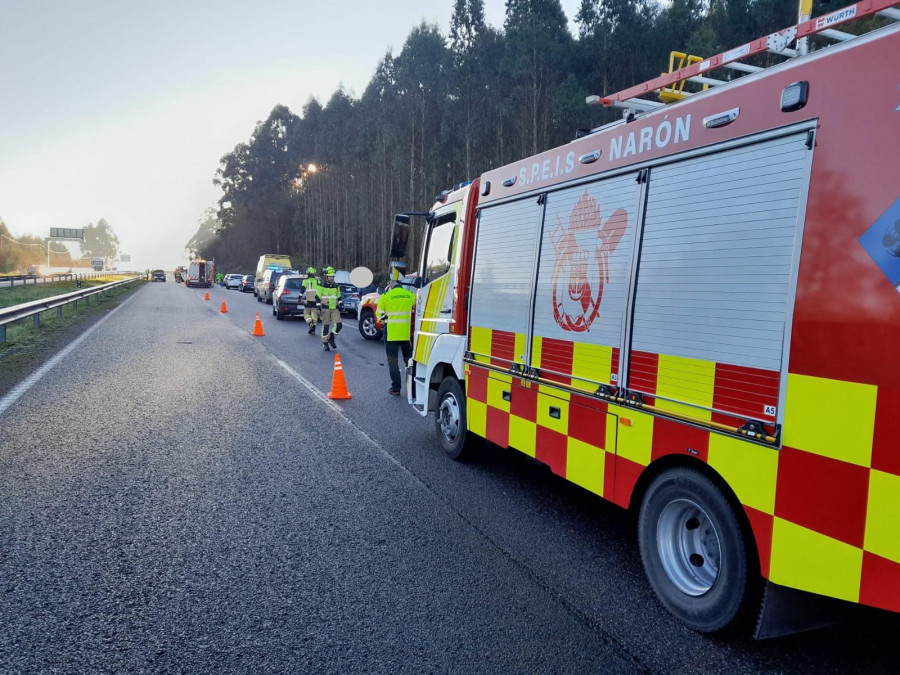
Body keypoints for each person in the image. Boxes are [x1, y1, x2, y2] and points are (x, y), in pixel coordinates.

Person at [376, 278, 416, 396]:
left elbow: (379, 317)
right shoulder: (410, 295)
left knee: (393, 362)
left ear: (391, 286)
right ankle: (412, 389)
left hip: (391, 334)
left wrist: (387, 320)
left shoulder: (386, 296)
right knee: (409, 361)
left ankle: (396, 388)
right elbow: (417, 310)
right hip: (407, 334)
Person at [318, 267, 343, 351]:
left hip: (334, 308)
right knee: (326, 327)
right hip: (325, 308)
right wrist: (318, 306)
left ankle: (331, 339)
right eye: (330, 276)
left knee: (339, 325)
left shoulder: (336, 286)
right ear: (326, 276)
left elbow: (339, 296)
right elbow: (317, 296)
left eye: (333, 276)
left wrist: (341, 303)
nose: (332, 278)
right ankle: (325, 344)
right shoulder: (321, 285)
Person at [301, 267, 320, 335]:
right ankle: (313, 330)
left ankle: (310, 323)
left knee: (306, 314)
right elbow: (321, 290)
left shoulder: (305, 281)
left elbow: (302, 289)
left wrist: (299, 297)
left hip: (308, 300)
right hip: (315, 301)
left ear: (308, 273)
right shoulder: (317, 281)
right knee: (314, 315)